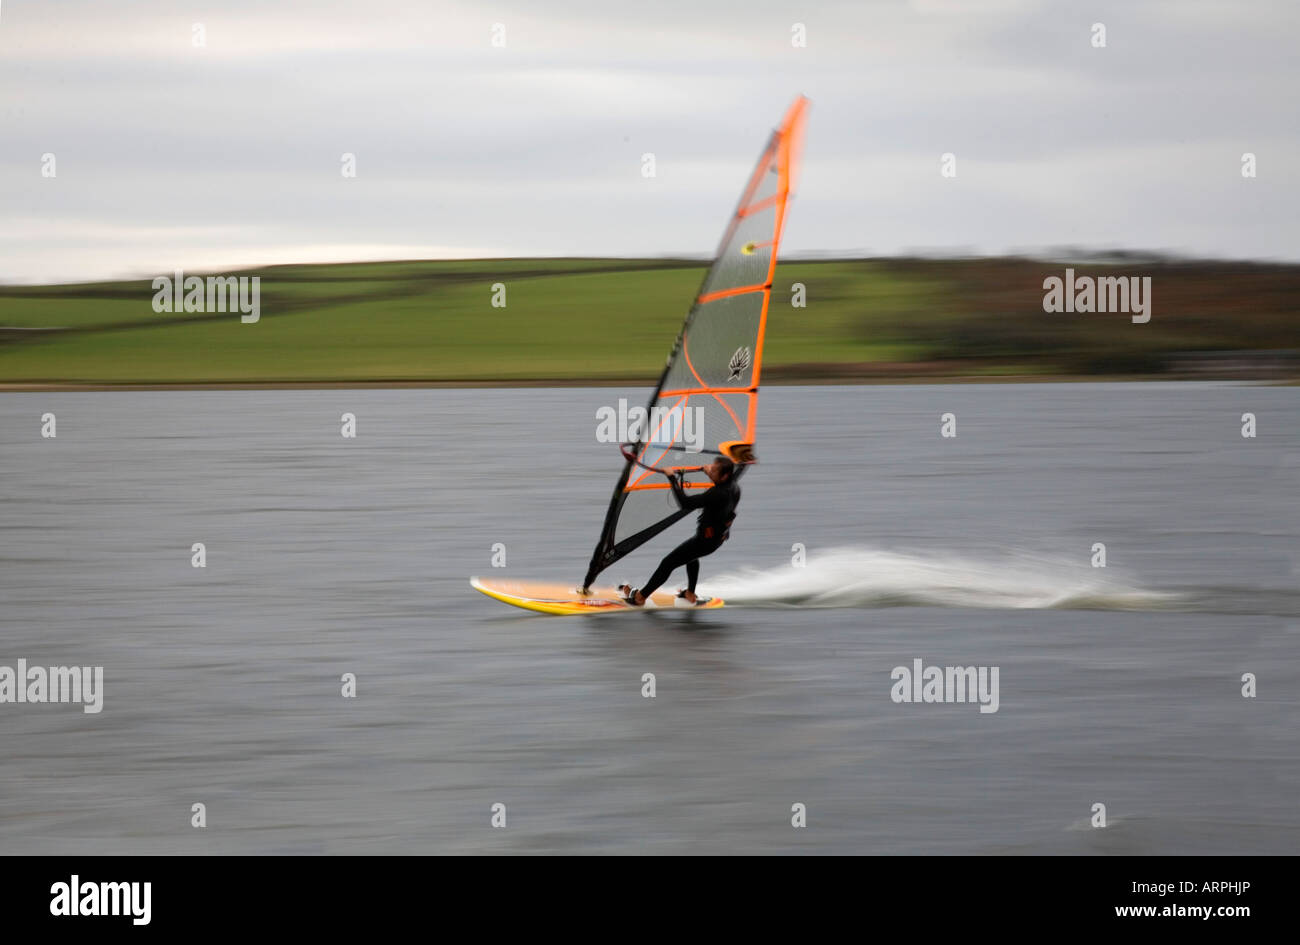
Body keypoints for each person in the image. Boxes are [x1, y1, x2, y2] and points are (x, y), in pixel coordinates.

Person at [619, 456, 741, 606]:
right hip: (716, 539)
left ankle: (640, 597)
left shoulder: (717, 494)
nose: (710, 469)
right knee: (692, 556)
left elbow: (685, 503)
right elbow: (720, 487)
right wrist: (709, 472)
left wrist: (672, 478)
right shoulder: (734, 488)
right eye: (711, 467)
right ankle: (690, 593)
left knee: (667, 563)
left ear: (725, 475)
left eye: (714, 470)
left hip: (706, 541)